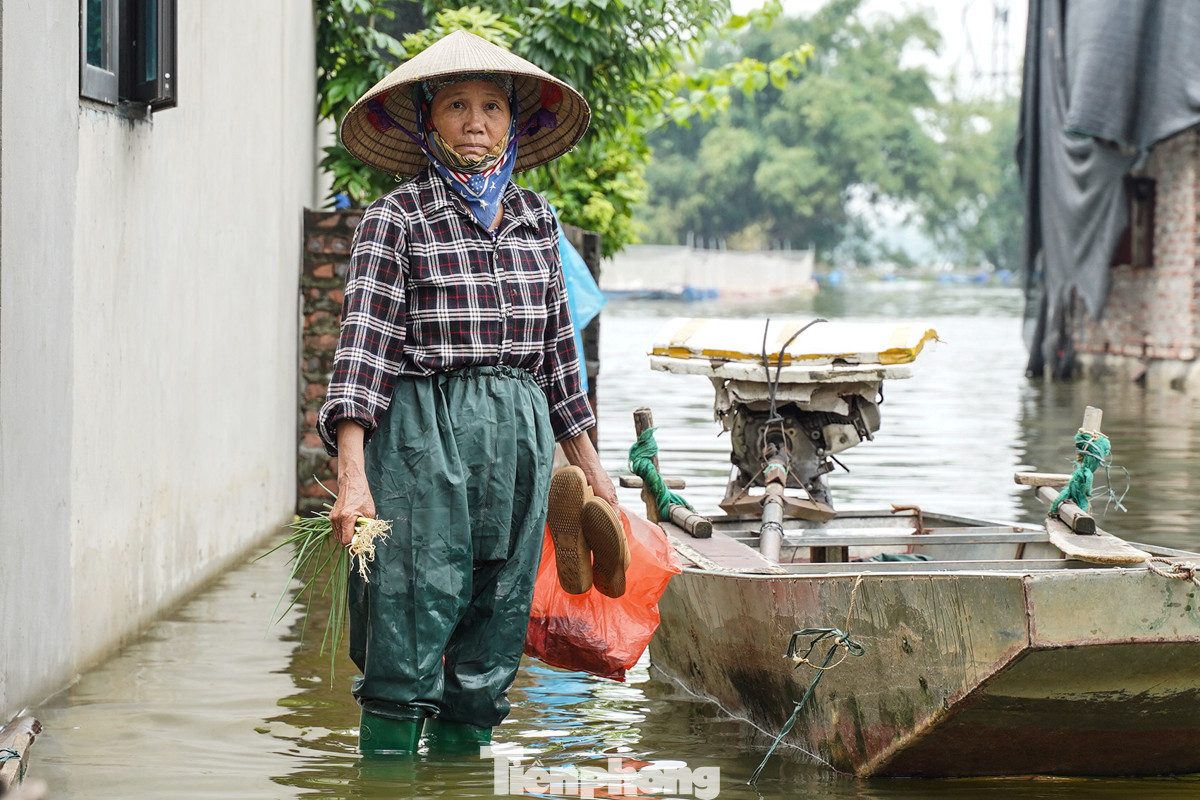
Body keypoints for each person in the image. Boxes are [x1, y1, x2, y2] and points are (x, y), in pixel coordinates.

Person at [317, 30, 622, 756]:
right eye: (456, 105)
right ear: (427, 121)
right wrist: (353, 479)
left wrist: (594, 471)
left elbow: (559, 358)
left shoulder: (537, 220)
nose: (476, 122)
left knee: (494, 627)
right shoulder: (397, 218)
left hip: (520, 437)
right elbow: (362, 354)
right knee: (408, 614)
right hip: (424, 437)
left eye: (492, 106)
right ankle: (386, 774)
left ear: (514, 122)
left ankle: (461, 771)